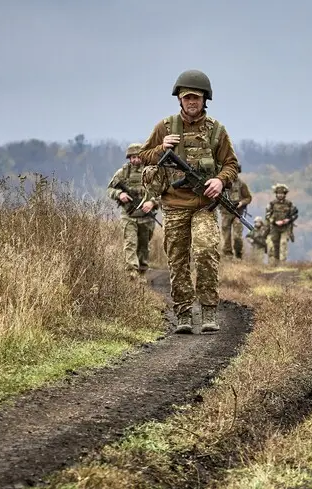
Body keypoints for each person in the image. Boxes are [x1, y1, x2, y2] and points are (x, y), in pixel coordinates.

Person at [137, 69, 240, 334]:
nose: (192, 102)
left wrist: (220, 180)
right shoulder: (165, 127)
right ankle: (183, 313)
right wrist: (162, 148)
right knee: (178, 259)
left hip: (205, 205)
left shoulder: (216, 130)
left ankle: (208, 311)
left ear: (205, 99)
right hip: (174, 206)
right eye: (187, 97)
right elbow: (142, 157)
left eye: (197, 97)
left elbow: (231, 164)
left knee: (206, 252)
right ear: (180, 99)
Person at [106, 143, 159, 279]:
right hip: (128, 215)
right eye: (132, 157)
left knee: (144, 246)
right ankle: (131, 273)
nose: (135, 160)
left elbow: (163, 193)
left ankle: (142, 272)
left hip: (146, 216)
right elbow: (110, 189)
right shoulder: (123, 173)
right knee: (130, 243)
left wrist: (152, 202)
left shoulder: (152, 172)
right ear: (129, 158)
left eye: (138, 156)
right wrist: (119, 194)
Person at [265, 183, 298, 264]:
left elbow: (295, 214)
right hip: (274, 228)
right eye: (278, 193)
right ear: (276, 194)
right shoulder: (272, 204)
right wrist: (274, 222)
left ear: (285, 194)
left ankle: (282, 264)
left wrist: (288, 220)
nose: (280, 195)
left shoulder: (289, 204)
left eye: (282, 193)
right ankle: (276, 263)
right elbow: (267, 215)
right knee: (275, 245)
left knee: (283, 244)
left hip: (285, 228)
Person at [219, 177, 252, 259]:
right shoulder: (220, 182)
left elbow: (248, 198)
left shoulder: (241, 184)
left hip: (238, 214)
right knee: (226, 237)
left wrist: (241, 203)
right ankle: (227, 256)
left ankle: (238, 254)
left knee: (237, 236)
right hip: (225, 214)